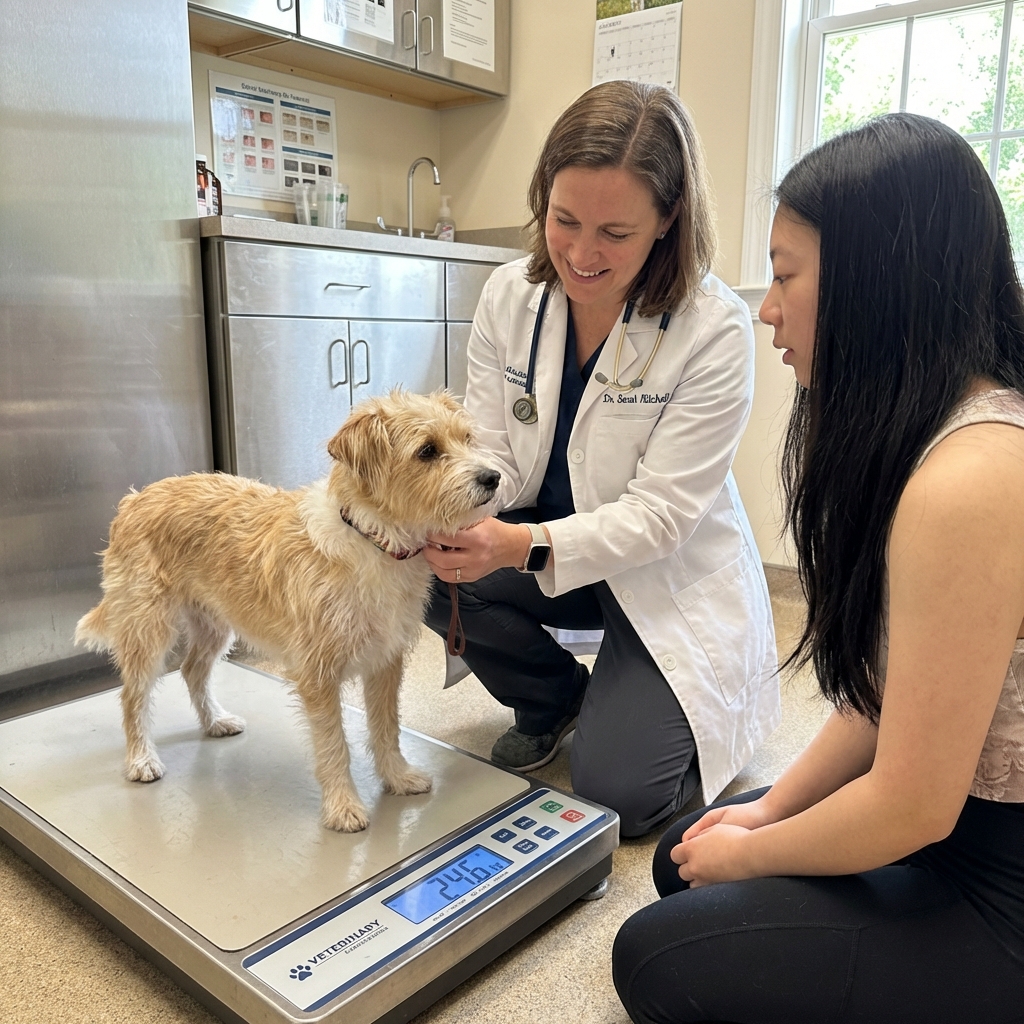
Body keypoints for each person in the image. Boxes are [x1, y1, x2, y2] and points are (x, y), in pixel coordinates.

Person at [613, 112, 1024, 1022]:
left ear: (879, 287)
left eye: (788, 277)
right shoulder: (929, 436)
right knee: (690, 852)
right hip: (950, 819)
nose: (768, 309)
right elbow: (881, 698)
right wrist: (765, 818)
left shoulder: (973, 480)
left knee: (657, 958)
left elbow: (915, 805)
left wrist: (756, 853)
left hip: (998, 879)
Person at [421, 80, 779, 839]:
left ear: (668, 219)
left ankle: (642, 693)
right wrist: (440, 516)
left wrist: (518, 544)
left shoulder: (713, 328)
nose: (582, 254)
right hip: (553, 557)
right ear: (541, 200)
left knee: (622, 795)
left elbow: (661, 517)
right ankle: (556, 702)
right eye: (564, 220)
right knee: (420, 562)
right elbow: (493, 459)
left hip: (662, 576)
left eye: (615, 233)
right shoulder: (508, 295)